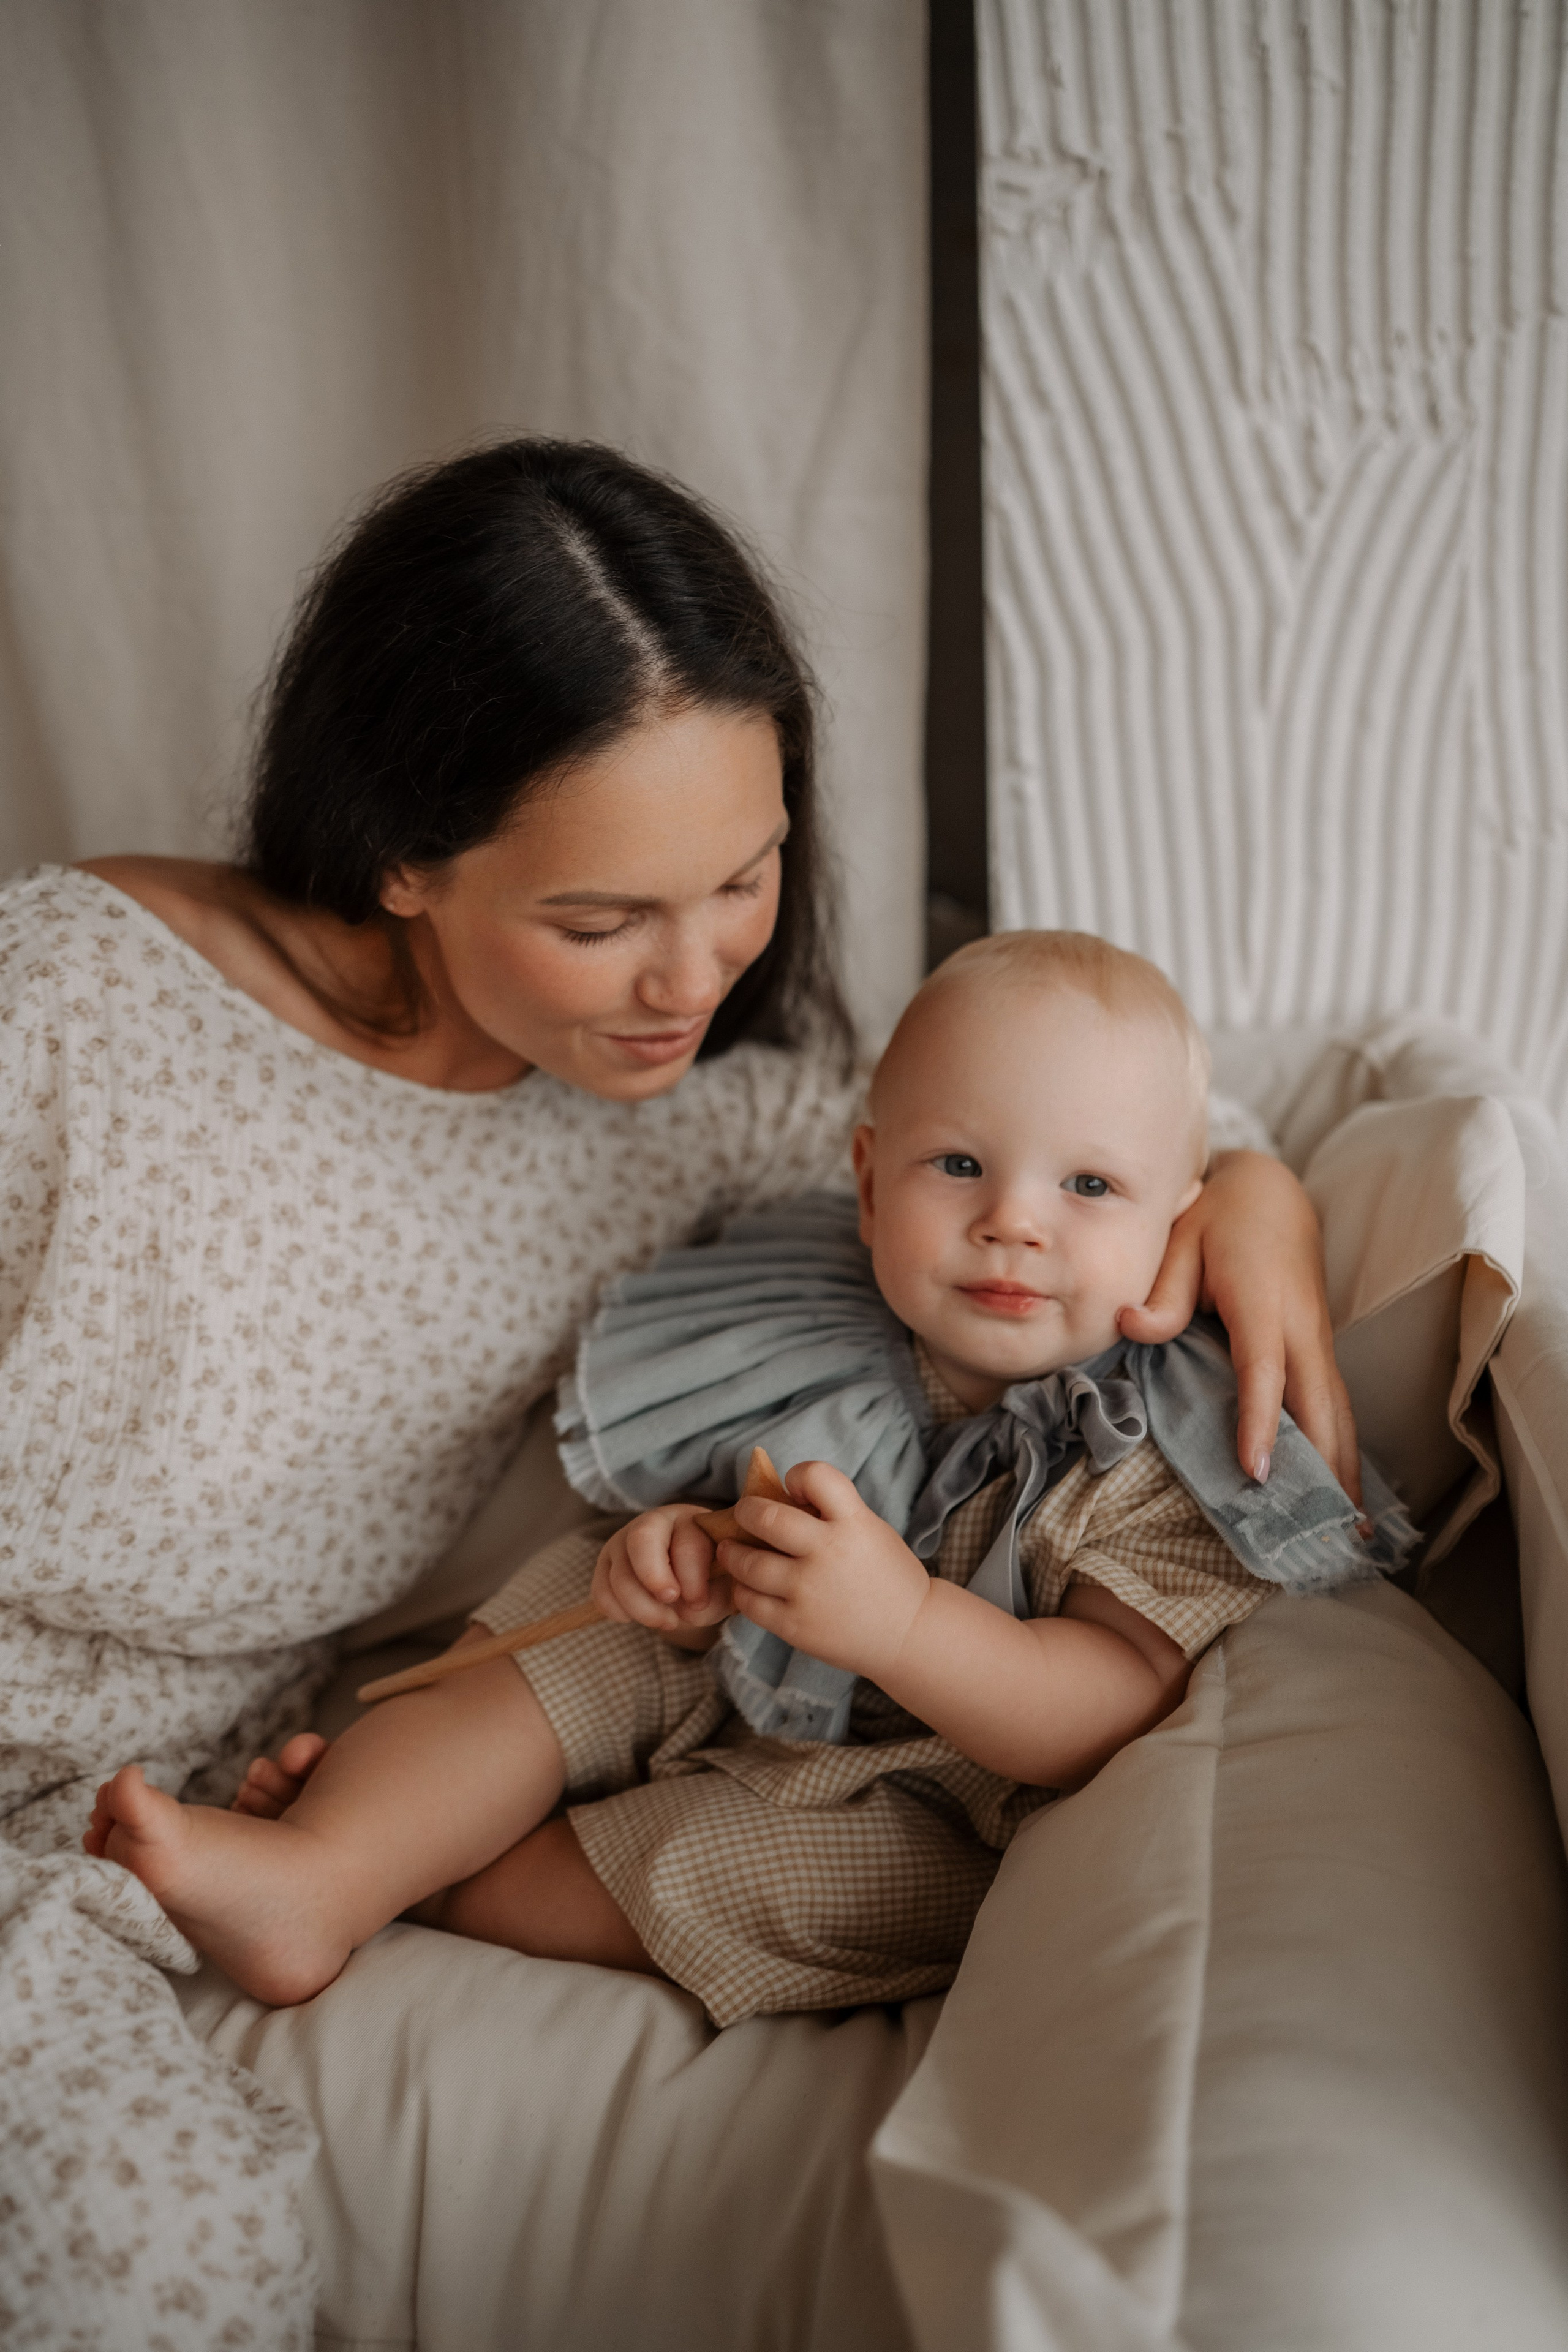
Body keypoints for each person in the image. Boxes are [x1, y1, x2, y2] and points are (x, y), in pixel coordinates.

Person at [1, 438, 1354, 2311]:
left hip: (177, 1781)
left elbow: (1068, 1113)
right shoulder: (68, 1004)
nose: (696, 973)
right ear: (403, 854)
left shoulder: (692, 1123)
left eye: (744, 877)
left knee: (178, 2256)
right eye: (601, 919)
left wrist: (1268, 1197)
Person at [85, 932, 1408, 2026]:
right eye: (957, 1165)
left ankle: (436, 1878)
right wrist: (666, 1546)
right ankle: (331, 1865)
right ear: (867, 1177)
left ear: (1181, 1219)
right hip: (736, 1649)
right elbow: (717, 1508)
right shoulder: (816, 1318)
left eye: (1087, 1185)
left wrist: (897, 1626)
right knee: (576, 1620)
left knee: (789, 1879)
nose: (1013, 1218)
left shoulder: (1169, 1433)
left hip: (927, 1779)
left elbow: (1107, 1707)